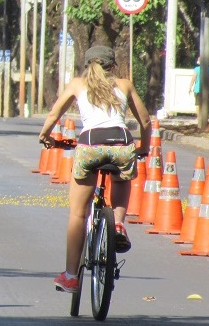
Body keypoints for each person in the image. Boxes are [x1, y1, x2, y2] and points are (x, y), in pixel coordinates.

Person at [38, 45, 151, 293]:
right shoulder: (125, 84)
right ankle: (118, 223)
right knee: (122, 179)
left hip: (90, 146)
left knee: (78, 214)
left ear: (88, 64)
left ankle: (70, 276)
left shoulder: (78, 84)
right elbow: (145, 121)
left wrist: (45, 136)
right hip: (122, 144)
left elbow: (54, 113)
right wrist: (145, 147)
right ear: (113, 65)